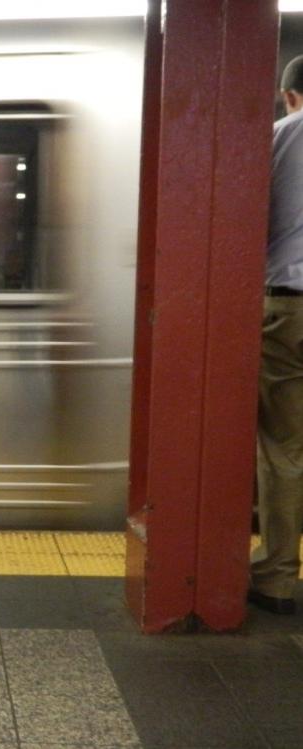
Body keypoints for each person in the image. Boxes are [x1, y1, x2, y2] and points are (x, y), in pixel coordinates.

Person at [249, 55, 303, 615]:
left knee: (284, 448)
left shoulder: (279, 138)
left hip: (290, 308)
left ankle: (278, 576)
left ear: (290, 95)